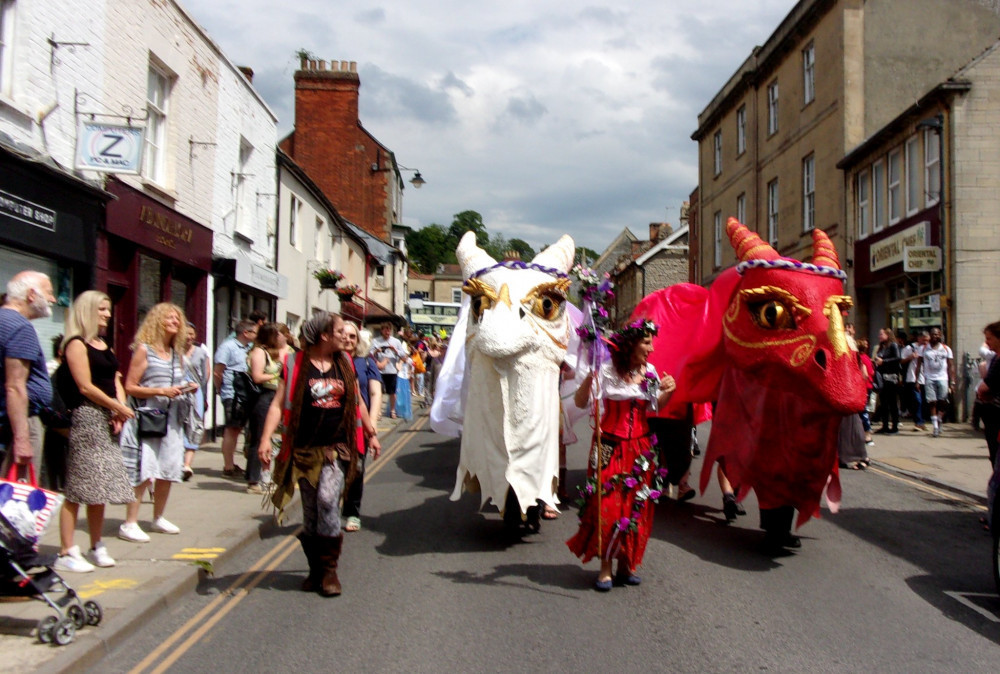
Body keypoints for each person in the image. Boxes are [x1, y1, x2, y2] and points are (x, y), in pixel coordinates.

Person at [257, 312, 380, 596]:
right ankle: (315, 569)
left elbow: (358, 401)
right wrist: (265, 439)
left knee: (327, 500)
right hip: (303, 450)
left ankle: (330, 571)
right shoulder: (294, 363)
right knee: (311, 512)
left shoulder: (345, 362)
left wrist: (371, 434)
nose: (346, 337)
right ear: (324, 335)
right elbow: (277, 404)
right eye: (339, 331)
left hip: (337, 448)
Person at [566, 319, 676, 592]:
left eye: (652, 342)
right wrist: (588, 381)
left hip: (640, 447)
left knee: (636, 505)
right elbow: (581, 403)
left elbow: (654, 407)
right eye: (647, 342)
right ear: (631, 344)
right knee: (607, 503)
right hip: (608, 444)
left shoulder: (649, 371)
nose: (651, 349)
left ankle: (627, 564)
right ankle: (605, 567)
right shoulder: (605, 370)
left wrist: (667, 393)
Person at [53, 291, 135, 572]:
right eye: (102, 309)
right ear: (87, 310)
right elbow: (85, 386)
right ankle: (66, 551)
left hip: (108, 417)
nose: (108, 314)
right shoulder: (76, 344)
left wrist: (120, 408)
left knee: (99, 486)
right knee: (79, 486)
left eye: (108, 309)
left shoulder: (103, 344)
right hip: (86, 417)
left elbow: (115, 378)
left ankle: (96, 545)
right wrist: (116, 407)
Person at [118, 303, 197, 542]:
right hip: (149, 418)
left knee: (168, 469)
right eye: (169, 318)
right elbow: (130, 387)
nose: (175, 321)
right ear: (157, 321)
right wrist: (162, 391)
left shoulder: (177, 354)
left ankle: (158, 517)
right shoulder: (145, 350)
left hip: (171, 419)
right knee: (145, 470)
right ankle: (129, 523)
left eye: (177, 318)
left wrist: (187, 387)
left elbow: (177, 383)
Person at [0, 271, 56, 476]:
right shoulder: (20, 327)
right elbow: (15, 386)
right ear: (31, 294)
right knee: (16, 500)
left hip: (8, 422)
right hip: (20, 422)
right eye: (49, 293)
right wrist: (22, 440)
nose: (53, 299)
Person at [342, 322, 382, 532]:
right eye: (344, 335)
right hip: (335, 426)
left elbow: (375, 393)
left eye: (352, 337)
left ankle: (352, 513)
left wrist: (372, 424)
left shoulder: (366, 362)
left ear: (358, 340)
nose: (348, 340)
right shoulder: (332, 360)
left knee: (356, 470)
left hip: (360, 424)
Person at [214, 320, 257, 477]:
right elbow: (218, 371)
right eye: (254, 332)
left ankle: (231, 463)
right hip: (232, 393)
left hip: (245, 393)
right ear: (245, 333)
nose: (256, 335)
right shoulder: (228, 347)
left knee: (237, 428)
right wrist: (220, 389)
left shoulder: (250, 348)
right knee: (232, 429)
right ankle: (228, 466)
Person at [245, 322, 284, 494]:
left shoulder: (271, 352)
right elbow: (257, 376)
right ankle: (253, 481)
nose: (280, 338)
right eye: (277, 335)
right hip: (263, 397)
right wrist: (278, 375)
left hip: (273, 396)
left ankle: (265, 477)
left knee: (271, 439)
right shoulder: (259, 352)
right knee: (260, 438)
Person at [182, 323, 211, 481]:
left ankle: (187, 464)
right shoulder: (174, 350)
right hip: (178, 392)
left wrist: (202, 392)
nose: (189, 337)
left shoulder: (200, 352)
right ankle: (178, 463)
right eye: (186, 334)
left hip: (195, 393)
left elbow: (206, 373)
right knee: (179, 425)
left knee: (195, 425)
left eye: (192, 334)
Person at [921, 327, 954, 437]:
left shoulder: (946, 348)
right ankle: (935, 426)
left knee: (943, 401)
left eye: (937, 334)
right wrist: (917, 379)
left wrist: (952, 381)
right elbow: (918, 364)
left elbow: (950, 365)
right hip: (929, 378)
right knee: (932, 402)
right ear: (930, 335)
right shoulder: (924, 348)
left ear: (940, 335)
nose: (935, 336)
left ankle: (939, 419)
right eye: (933, 334)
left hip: (943, 378)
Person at [976, 322, 1000, 468]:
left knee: (996, 457)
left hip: (996, 417)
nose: (986, 342)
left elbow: (983, 390)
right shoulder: (996, 358)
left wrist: (984, 379)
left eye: (989, 338)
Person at [371, 322, 404, 419]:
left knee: (392, 392)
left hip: (392, 370)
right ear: (381, 330)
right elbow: (369, 353)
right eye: (385, 329)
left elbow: (403, 355)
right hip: (379, 370)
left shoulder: (396, 341)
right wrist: (377, 351)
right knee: (379, 392)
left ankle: (392, 411)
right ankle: (379, 411)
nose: (387, 331)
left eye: (389, 330)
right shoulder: (375, 341)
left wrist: (395, 350)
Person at [873, 328, 901, 434]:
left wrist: (883, 361)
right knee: (883, 403)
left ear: (887, 335)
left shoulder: (893, 345)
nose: (879, 336)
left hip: (891, 377)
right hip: (882, 378)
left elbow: (898, 358)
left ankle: (895, 426)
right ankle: (884, 425)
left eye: (881, 334)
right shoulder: (881, 347)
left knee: (892, 403)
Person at [901, 331, 926, 431]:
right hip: (912, 378)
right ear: (919, 338)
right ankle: (918, 422)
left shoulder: (927, 348)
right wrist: (910, 357)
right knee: (917, 400)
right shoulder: (910, 348)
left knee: (923, 401)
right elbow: (901, 360)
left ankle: (921, 422)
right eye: (924, 340)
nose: (925, 342)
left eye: (927, 340)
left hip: (926, 378)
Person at [856, 338, 875, 446]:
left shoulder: (860, 359)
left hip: (863, 387)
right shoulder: (867, 358)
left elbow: (866, 374)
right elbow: (872, 372)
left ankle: (868, 435)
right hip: (868, 386)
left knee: (863, 412)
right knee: (864, 411)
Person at [395, 340, 413, 421]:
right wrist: (401, 362)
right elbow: (398, 369)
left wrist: (409, 374)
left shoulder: (409, 361)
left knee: (405, 396)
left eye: (406, 355)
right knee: (399, 396)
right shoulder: (398, 361)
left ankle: (404, 411)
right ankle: (398, 411)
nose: (405, 356)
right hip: (399, 378)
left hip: (405, 379)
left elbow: (411, 369)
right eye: (404, 355)